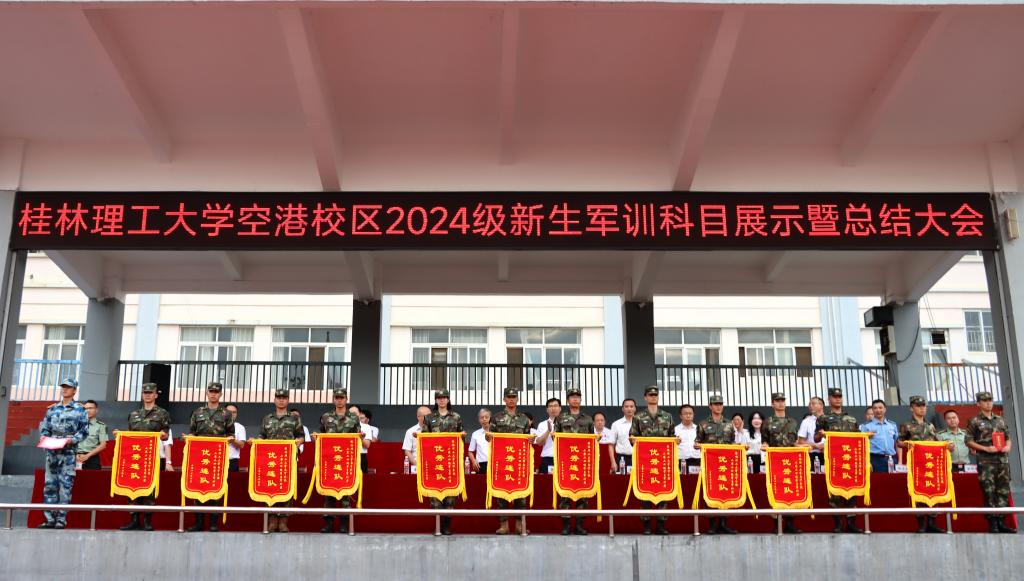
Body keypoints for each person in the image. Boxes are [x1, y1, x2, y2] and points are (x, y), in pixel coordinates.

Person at [36, 378, 89, 529]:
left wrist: (71, 440)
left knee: (65, 487)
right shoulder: (52, 409)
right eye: (63, 387)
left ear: (74, 390)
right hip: (52, 452)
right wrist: (44, 439)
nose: (65, 389)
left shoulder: (80, 410)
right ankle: (49, 519)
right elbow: (45, 428)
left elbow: (84, 431)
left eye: (68, 387)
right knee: (49, 486)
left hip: (68, 453)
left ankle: (61, 519)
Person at [118, 383, 171, 531]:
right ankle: (134, 519)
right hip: (134, 456)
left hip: (151, 456)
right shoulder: (134, 414)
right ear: (142, 395)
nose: (147, 395)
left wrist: (162, 435)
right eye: (145, 393)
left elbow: (166, 435)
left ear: (156, 395)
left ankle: (147, 520)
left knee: (149, 489)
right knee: (132, 488)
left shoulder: (162, 413)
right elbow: (130, 434)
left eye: (150, 393)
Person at [965, 391, 1016, 533]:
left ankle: (1002, 522)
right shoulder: (974, 421)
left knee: (1003, 491)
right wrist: (985, 448)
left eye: (990, 400)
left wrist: (1008, 447)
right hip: (986, 462)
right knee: (989, 492)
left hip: (1002, 461)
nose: (988, 403)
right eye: (985, 400)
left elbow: (1008, 437)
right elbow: (968, 441)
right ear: (978, 403)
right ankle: (993, 523)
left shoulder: (1000, 420)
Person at [187, 381, 235, 532]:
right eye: (211, 391)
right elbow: (192, 432)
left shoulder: (226, 414)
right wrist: (189, 437)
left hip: (217, 456)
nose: (213, 394)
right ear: (207, 393)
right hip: (199, 456)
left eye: (216, 392)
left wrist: (230, 439)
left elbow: (231, 434)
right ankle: (199, 522)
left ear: (221, 394)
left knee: (216, 488)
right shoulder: (197, 412)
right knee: (198, 487)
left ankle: (214, 522)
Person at [815, 388, 864, 534]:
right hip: (834, 460)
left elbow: (858, 439)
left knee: (851, 492)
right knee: (834, 493)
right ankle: (838, 524)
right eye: (835, 397)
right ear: (829, 399)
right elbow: (816, 438)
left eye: (839, 397)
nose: (838, 399)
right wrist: (821, 434)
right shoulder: (823, 418)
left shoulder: (851, 419)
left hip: (850, 460)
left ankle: (851, 523)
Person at [629, 385, 676, 535]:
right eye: (650, 395)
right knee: (645, 493)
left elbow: (672, 436)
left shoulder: (667, 416)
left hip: (663, 462)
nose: (653, 397)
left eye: (655, 395)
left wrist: (676, 440)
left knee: (663, 492)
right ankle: (647, 525)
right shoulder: (638, 417)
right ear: (645, 398)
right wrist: (633, 440)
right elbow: (632, 437)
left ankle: (661, 524)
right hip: (645, 462)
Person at [896, 396, 948, 533]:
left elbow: (937, 442)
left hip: (930, 463)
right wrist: (910, 444)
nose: (922, 408)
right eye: (918, 406)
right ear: (911, 408)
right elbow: (899, 442)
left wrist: (947, 446)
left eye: (923, 405)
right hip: (916, 464)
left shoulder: (930, 425)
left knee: (932, 491)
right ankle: (921, 523)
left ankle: (932, 522)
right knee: (918, 492)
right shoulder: (906, 425)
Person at [488, 387, 535, 535]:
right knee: (501, 494)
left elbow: (527, 438)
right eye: (509, 397)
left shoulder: (524, 419)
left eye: (514, 397)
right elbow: (490, 437)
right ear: (504, 399)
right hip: (502, 461)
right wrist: (488, 437)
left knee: (521, 494)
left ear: (517, 399)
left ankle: (520, 525)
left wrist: (531, 440)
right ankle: (504, 525)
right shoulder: (496, 417)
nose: (511, 399)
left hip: (519, 461)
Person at [258, 388, 305, 533]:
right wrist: (256, 442)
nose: (281, 400)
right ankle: (272, 521)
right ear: (274, 400)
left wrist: (298, 441)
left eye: (284, 398)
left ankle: (283, 521)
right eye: (278, 398)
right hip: (270, 460)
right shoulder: (267, 418)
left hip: (287, 459)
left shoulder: (294, 418)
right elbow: (261, 436)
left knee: (287, 489)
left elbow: (301, 436)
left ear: (288, 400)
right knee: (270, 488)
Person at [318, 388, 364, 533]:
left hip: (346, 461)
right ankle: (329, 523)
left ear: (346, 399)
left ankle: (344, 523)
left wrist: (361, 437)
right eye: (337, 398)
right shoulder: (326, 416)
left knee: (346, 493)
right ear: (333, 399)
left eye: (341, 398)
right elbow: (321, 435)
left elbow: (358, 436)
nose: (339, 400)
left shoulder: (353, 418)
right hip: (329, 460)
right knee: (329, 492)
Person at [420, 388, 465, 536]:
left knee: (450, 497)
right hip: (435, 463)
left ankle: (446, 526)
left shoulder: (456, 417)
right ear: (436, 400)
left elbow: (461, 439)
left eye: (444, 397)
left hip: (451, 463)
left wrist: (462, 436)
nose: (442, 400)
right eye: (439, 398)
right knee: (435, 498)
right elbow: (425, 439)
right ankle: (438, 525)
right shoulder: (429, 418)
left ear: (448, 399)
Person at [553, 387, 595, 535]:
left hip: (582, 461)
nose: (575, 399)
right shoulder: (560, 418)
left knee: (582, 494)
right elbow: (555, 437)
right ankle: (566, 526)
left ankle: (579, 525)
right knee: (565, 494)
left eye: (577, 396)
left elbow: (592, 439)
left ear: (580, 400)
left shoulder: (588, 419)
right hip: (566, 461)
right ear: (568, 400)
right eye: (572, 397)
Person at [695, 395, 738, 534]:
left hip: (725, 464)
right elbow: (698, 441)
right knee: (711, 492)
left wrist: (739, 447)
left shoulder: (729, 424)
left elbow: (732, 442)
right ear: (710, 406)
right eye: (715, 404)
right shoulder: (703, 424)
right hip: (710, 465)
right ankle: (712, 524)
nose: (718, 406)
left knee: (725, 492)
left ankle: (724, 523)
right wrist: (697, 445)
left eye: (720, 404)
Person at [762, 393, 801, 534]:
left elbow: (795, 442)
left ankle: (790, 523)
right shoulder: (767, 422)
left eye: (782, 400)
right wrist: (765, 446)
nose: (780, 403)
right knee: (775, 492)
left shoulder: (793, 422)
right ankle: (777, 524)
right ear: (772, 404)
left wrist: (803, 447)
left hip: (791, 462)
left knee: (791, 491)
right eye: (777, 401)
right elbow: (765, 441)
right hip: (775, 462)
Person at [860, 399, 898, 473]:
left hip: (892, 459)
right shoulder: (866, 426)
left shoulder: (892, 425)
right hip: (875, 460)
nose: (878, 410)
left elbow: (897, 442)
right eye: (875, 408)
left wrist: (899, 461)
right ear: (872, 410)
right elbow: (862, 445)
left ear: (885, 409)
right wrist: (867, 462)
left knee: (894, 480)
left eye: (880, 408)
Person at [76, 400, 108, 470]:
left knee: (93, 476)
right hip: (75, 457)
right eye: (86, 408)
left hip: (92, 458)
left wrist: (87, 456)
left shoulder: (101, 426)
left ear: (96, 410)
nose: (88, 410)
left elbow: (103, 445)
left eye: (90, 408)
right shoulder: (76, 425)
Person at [534, 398, 562, 474]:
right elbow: (540, 443)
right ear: (547, 410)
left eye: (555, 406)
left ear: (560, 408)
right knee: (549, 480)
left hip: (564, 458)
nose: (553, 408)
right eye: (550, 406)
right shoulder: (542, 424)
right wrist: (548, 431)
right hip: (548, 458)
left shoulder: (566, 424)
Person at [797, 396, 825, 470]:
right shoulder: (806, 421)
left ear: (821, 405)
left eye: (813, 404)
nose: (810, 406)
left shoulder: (829, 420)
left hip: (828, 454)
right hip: (812, 455)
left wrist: (824, 445)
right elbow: (800, 441)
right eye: (809, 404)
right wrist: (816, 445)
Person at [402, 406, 431, 474]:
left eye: (430, 416)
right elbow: (407, 451)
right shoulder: (410, 431)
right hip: (417, 466)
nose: (428, 418)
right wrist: (417, 465)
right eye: (425, 416)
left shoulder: (435, 430)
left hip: (434, 466)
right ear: (418, 417)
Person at [610, 398, 636, 471]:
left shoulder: (641, 423)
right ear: (622, 409)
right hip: (621, 459)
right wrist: (613, 462)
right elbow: (611, 445)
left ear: (635, 408)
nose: (629, 409)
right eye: (626, 406)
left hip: (637, 457)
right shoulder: (616, 424)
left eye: (631, 406)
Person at [674, 404, 700, 473]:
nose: (688, 415)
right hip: (681, 461)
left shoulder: (699, 429)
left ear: (693, 415)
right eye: (685, 414)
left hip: (697, 460)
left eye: (690, 413)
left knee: (697, 479)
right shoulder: (675, 430)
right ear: (680, 416)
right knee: (683, 479)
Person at [468, 408, 491, 474]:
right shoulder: (475, 434)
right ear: (479, 420)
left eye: (486, 417)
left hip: (495, 463)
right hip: (481, 465)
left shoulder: (496, 432)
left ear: (490, 418)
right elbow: (470, 451)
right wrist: (473, 461)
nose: (484, 419)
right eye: (482, 417)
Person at [225, 404, 246, 472]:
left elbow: (242, 445)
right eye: (229, 412)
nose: (232, 414)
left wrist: (233, 441)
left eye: (234, 412)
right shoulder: (216, 426)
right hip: (216, 458)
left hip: (232, 461)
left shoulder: (240, 427)